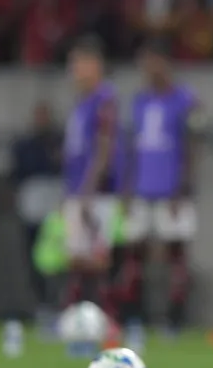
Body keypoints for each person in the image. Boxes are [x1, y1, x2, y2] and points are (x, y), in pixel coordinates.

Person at [119, 39, 202, 335]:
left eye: (151, 61)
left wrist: (183, 187)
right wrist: (127, 189)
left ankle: (174, 320)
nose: (146, 69)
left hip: (172, 190)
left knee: (176, 256)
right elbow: (131, 148)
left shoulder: (185, 100)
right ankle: (134, 318)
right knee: (134, 256)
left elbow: (192, 146)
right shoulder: (139, 101)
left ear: (164, 62)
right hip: (141, 187)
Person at [61, 37, 120, 308]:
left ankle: (104, 315)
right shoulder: (79, 102)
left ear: (93, 65)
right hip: (76, 188)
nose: (72, 70)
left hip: (96, 191)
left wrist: (88, 189)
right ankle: (80, 316)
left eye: (76, 64)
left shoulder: (104, 98)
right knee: (75, 254)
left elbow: (104, 146)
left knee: (97, 256)